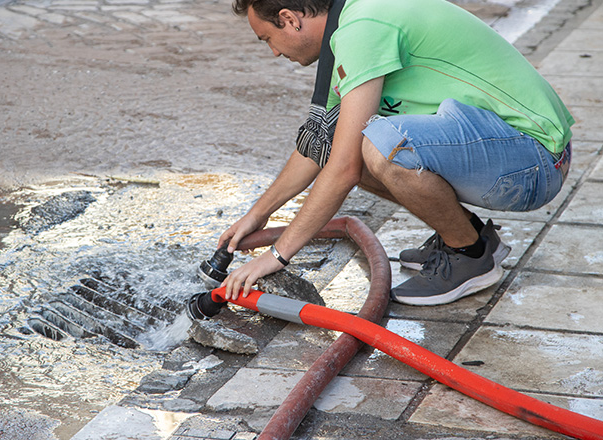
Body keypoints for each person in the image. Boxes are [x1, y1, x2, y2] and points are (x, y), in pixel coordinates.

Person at [218, 0, 574, 306]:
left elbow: (344, 169)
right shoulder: (352, 21)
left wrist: (276, 256)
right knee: (351, 140)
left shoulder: (363, 27)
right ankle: (471, 236)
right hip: (514, 150)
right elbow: (319, 146)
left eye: (268, 38)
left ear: (290, 19)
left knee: (380, 144)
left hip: (536, 161)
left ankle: (470, 256)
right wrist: (258, 214)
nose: (275, 52)